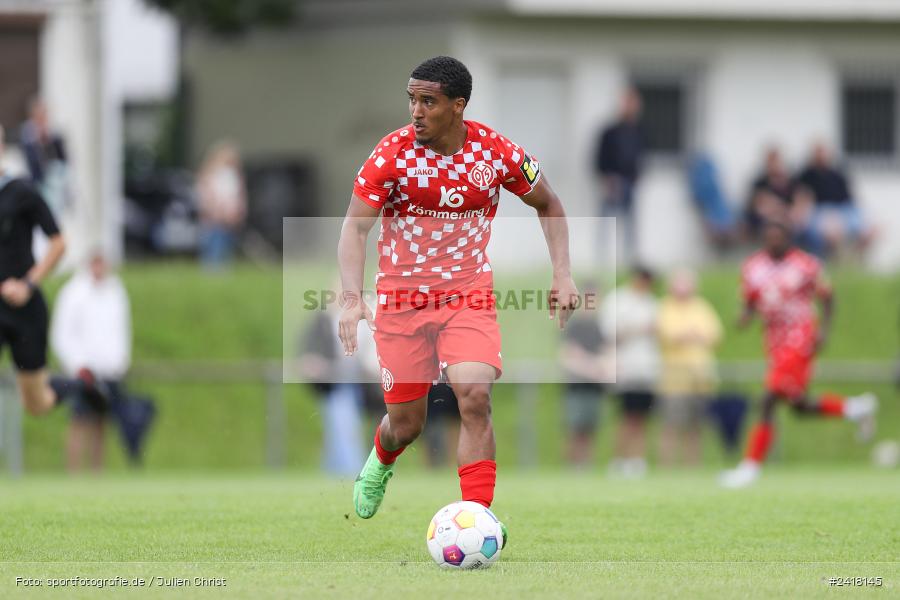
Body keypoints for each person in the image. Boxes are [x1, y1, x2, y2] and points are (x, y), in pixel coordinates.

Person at [337, 57, 578, 544]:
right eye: (412, 100)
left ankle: (476, 519)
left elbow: (549, 202)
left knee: (474, 394)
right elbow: (354, 226)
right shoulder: (392, 154)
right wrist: (349, 298)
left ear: (457, 105)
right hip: (401, 299)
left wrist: (563, 273)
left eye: (428, 101)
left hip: (467, 293)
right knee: (407, 425)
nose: (416, 111)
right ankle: (382, 457)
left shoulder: (495, 153)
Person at [720, 219, 878, 488]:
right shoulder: (753, 267)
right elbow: (750, 300)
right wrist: (745, 316)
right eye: (769, 237)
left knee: (768, 397)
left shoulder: (806, 265)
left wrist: (825, 329)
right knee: (798, 406)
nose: (774, 242)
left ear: (788, 238)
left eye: (778, 237)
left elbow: (827, 297)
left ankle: (750, 467)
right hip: (774, 338)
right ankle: (856, 408)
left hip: (800, 333)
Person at [0, 123, 86, 417]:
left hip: (24, 310)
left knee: (36, 404)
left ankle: (76, 387)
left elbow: (59, 242)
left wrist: (27, 284)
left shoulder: (22, 192)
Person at [50, 252, 131, 472]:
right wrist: (78, 364)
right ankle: (73, 472)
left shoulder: (115, 290)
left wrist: (120, 361)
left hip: (110, 369)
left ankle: (97, 472)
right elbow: (62, 334)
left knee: (101, 421)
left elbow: (120, 330)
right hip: (83, 371)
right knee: (79, 420)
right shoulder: (73, 292)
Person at [656, 268, 722, 467]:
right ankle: (666, 466)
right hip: (674, 379)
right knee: (671, 424)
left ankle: (692, 465)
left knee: (696, 426)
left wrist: (690, 336)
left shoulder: (702, 307)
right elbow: (669, 335)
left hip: (701, 378)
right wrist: (693, 335)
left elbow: (714, 335)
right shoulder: (665, 307)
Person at [601, 267, 659, 478]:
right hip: (626, 368)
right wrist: (637, 328)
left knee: (642, 417)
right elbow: (610, 332)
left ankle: (637, 460)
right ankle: (619, 460)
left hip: (647, 368)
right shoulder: (618, 300)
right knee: (626, 417)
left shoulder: (652, 302)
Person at [559, 280, 610, 468]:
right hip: (577, 386)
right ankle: (572, 466)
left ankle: (587, 465)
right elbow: (570, 354)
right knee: (574, 428)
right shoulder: (574, 324)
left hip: (595, 387)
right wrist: (593, 368)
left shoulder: (599, 326)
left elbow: (606, 351)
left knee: (591, 429)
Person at [793, 142, 874, 258]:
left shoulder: (837, 174)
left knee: (868, 229)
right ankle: (837, 259)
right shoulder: (806, 175)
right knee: (831, 229)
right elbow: (801, 198)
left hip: (842, 210)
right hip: (819, 211)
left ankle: (854, 258)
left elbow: (850, 200)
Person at [595, 88, 643, 261]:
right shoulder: (610, 132)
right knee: (606, 224)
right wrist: (607, 179)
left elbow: (639, 158)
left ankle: (628, 259)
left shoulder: (637, 131)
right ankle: (602, 258)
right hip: (612, 183)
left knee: (629, 225)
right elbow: (599, 159)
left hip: (629, 183)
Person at [197, 140, 247, 267]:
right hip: (215, 216)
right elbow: (207, 194)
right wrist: (215, 209)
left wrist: (237, 211)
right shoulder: (213, 174)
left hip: (229, 216)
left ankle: (223, 267)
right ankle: (211, 268)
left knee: (226, 243)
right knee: (213, 241)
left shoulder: (233, 175)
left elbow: (238, 196)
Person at [19, 97, 70, 215]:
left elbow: (64, 160)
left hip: (55, 186)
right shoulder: (27, 136)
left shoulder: (54, 135)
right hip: (37, 184)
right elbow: (30, 161)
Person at [744, 147, 795, 242]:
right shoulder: (760, 183)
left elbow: (797, 200)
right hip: (766, 219)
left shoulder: (790, 182)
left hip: (787, 216)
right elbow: (757, 204)